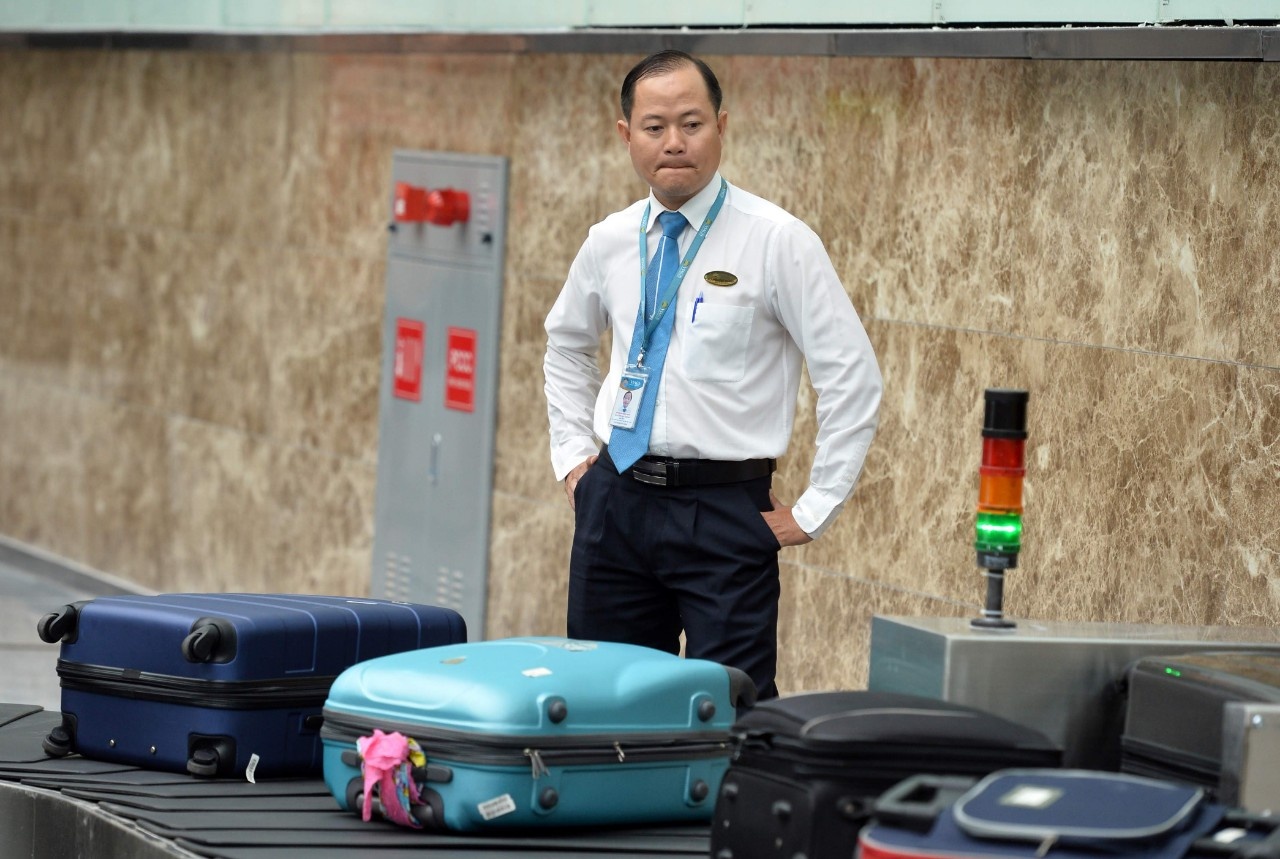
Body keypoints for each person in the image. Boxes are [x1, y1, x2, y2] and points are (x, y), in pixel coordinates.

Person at [543, 50, 882, 700]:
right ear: (627, 136)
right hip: (614, 502)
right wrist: (573, 460)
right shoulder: (609, 240)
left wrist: (815, 508)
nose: (674, 142)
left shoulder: (776, 240)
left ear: (722, 126)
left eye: (692, 123)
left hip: (724, 511)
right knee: (599, 704)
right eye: (655, 126)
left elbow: (852, 376)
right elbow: (565, 345)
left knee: (729, 715)